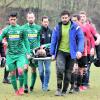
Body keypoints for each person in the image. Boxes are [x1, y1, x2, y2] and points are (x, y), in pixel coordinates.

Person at [50, 10, 84, 96]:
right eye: (63, 18)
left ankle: (64, 90)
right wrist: (52, 53)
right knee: (60, 70)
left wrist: (79, 50)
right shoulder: (57, 28)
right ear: (61, 18)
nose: (64, 19)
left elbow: (81, 39)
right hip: (60, 52)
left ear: (69, 18)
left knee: (68, 73)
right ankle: (58, 89)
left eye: (66, 18)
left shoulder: (76, 27)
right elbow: (53, 41)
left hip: (71, 54)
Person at [0, 12, 30, 96]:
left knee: (20, 70)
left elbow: (26, 41)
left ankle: (21, 87)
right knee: (12, 73)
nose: (12, 21)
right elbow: (0, 38)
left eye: (14, 19)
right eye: (11, 19)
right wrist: (2, 40)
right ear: (9, 20)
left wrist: (28, 52)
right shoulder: (6, 30)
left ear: (16, 19)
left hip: (20, 54)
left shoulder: (21, 30)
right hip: (10, 55)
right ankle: (16, 90)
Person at [79, 11, 100, 87]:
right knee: (79, 68)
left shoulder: (89, 26)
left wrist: (98, 38)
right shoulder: (77, 26)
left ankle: (85, 83)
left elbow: (96, 34)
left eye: (83, 17)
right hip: (80, 51)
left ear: (86, 17)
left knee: (87, 68)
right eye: (80, 17)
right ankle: (79, 83)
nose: (82, 18)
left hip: (89, 51)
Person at [22, 11, 41, 93]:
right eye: (29, 17)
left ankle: (32, 87)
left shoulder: (38, 28)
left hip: (34, 52)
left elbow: (39, 40)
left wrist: (38, 50)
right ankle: (25, 86)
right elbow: (22, 41)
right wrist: (26, 52)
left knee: (33, 70)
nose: (30, 19)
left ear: (34, 18)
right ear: (27, 18)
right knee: (25, 68)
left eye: (32, 17)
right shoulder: (23, 28)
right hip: (25, 52)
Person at [38, 16, 52, 91]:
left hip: (48, 54)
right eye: (44, 22)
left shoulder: (51, 31)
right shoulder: (39, 31)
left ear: (48, 22)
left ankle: (45, 86)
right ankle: (43, 83)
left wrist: (46, 46)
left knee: (47, 70)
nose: (46, 23)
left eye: (47, 21)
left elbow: (53, 43)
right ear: (42, 22)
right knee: (40, 72)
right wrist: (39, 47)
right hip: (39, 55)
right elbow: (36, 42)